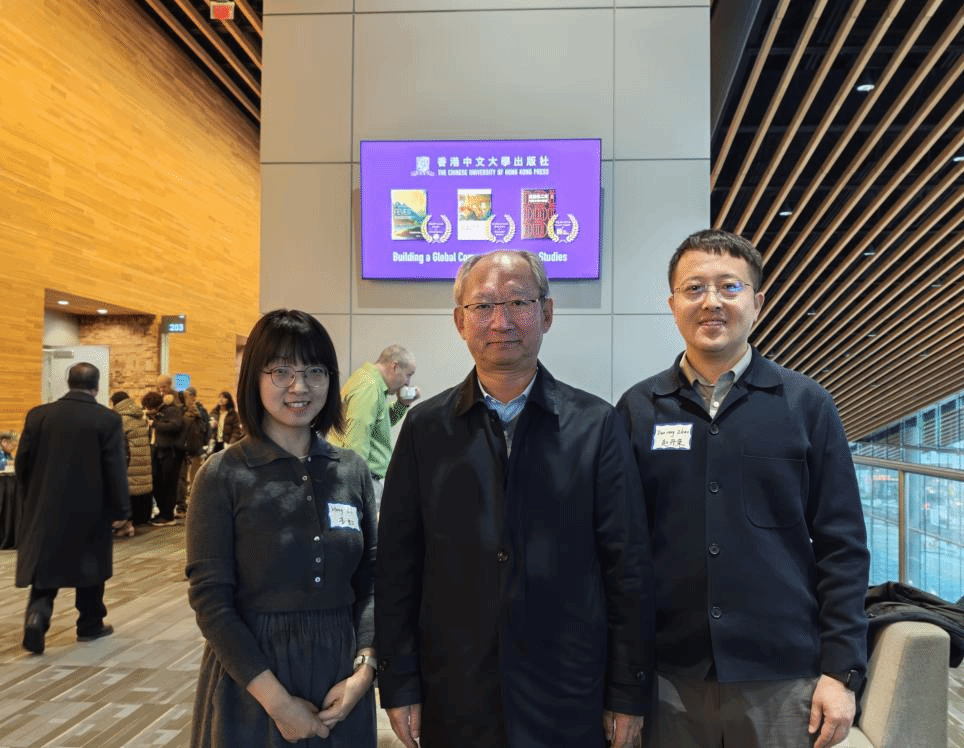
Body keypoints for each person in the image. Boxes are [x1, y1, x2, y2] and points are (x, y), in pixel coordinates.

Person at [375, 250, 654, 748]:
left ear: (547, 313)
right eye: (483, 306)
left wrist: (627, 691)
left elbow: (626, 567)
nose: (501, 321)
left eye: (518, 303)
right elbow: (398, 567)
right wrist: (399, 683)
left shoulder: (596, 426)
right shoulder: (425, 429)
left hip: (568, 691)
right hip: (455, 691)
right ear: (460, 321)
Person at [615, 229, 870, 748]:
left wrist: (841, 671)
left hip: (783, 675)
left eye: (729, 287)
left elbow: (842, 547)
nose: (711, 302)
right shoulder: (638, 409)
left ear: (758, 302)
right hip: (669, 676)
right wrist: (622, 679)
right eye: (694, 288)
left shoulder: (806, 404)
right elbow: (619, 552)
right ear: (672, 304)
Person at [186, 309, 377, 747]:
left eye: (315, 371)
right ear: (254, 378)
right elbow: (211, 601)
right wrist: (279, 703)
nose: (299, 386)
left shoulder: (351, 470)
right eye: (281, 371)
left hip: (341, 679)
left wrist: (364, 669)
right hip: (252, 680)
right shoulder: (223, 474)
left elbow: (372, 578)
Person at [15, 362, 131, 654]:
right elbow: (115, 468)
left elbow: (22, 463)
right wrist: (121, 510)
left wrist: (32, 495)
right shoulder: (107, 420)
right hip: (90, 507)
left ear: (68, 382)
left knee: (45, 566)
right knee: (90, 564)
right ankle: (90, 624)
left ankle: (37, 615)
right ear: (96, 386)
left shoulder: (38, 415)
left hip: (45, 505)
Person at [327, 344, 419, 512]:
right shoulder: (369, 387)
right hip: (359, 480)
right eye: (408, 375)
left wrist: (402, 404)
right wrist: (356, 488)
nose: (408, 383)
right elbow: (356, 439)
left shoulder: (372, 383)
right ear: (394, 367)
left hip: (359, 478)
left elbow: (378, 426)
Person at [111, 390, 155, 533]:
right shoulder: (139, 416)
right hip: (143, 458)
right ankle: (138, 520)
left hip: (130, 459)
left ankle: (127, 524)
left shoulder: (120, 419)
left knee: (128, 490)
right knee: (140, 488)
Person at [148, 386, 184, 526]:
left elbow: (175, 426)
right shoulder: (161, 412)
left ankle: (167, 515)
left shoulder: (171, 410)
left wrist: (155, 424)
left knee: (168, 484)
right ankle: (163, 512)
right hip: (159, 451)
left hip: (171, 452)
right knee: (157, 482)